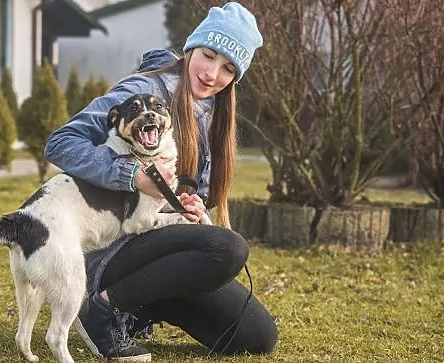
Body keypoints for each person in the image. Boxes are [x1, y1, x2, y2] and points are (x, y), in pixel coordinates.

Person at [44, 2, 277, 362]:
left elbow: (183, 192)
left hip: (157, 247)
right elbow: (61, 144)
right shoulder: (143, 91)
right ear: (191, 48)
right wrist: (133, 176)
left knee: (257, 337)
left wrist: (191, 206)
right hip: (109, 247)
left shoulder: (212, 113)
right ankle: (101, 308)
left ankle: (137, 310)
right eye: (209, 55)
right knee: (228, 248)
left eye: (228, 68)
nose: (213, 74)